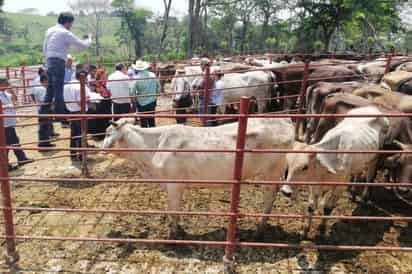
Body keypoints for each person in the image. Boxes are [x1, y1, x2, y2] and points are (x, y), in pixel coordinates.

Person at [42, 12, 92, 116]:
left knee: (50, 90)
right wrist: (89, 39)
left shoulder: (49, 30)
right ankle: (60, 115)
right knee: (58, 89)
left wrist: (47, 60)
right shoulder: (65, 32)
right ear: (68, 23)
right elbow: (82, 45)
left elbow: (45, 47)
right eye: (71, 24)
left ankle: (43, 112)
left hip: (49, 61)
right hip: (58, 61)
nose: (71, 26)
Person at [64, 68, 102, 162]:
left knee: (73, 134)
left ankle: (73, 155)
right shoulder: (81, 86)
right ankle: (82, 156)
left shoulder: (66, 86)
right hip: (80, 112)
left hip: (71, 112)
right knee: (81, 134)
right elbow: (80, 102)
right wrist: (88, 99)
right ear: (83, 78)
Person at [0, 78, 33, 171]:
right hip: (3, 123)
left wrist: (12, 91)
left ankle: (19, 159)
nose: (8, 85)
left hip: (9, 122)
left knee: (12, 142)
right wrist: (7, 106)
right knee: (7, 144)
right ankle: (6, 164)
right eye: (6, 83)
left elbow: (15, 99)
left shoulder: (5, 93)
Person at [130, 60, 160, 128]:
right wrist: (156, 94)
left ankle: (145, 134)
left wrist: (134, 99)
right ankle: (153, 133)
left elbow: (132, 92)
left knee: (143, 120)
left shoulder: (136, 78)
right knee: (151, 119)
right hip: (152, 100)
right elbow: (158, 86)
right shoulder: (153, 75)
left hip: (141, 102)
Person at [31, 74, 58, 149]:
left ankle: (45, 143)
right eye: (47, 81)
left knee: (44, 127)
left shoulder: (37, 88)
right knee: (44, 127)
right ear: (44, 81)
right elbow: (45, 101)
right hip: (45, 109)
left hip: (42, 109)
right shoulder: (42, 89)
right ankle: (43, 144)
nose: (48, 83)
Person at [89, 69, 111, 136]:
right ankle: (100, 134)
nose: (105, 76)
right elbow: (97, 91)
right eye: (103, 75)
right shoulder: (96, 83)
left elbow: (108, 92)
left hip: (106, 101)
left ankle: (106, 132)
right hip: (100, 102)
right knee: (100, 118)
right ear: (100, 75)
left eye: (105, 75)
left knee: (107, 117)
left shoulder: (105, 82)